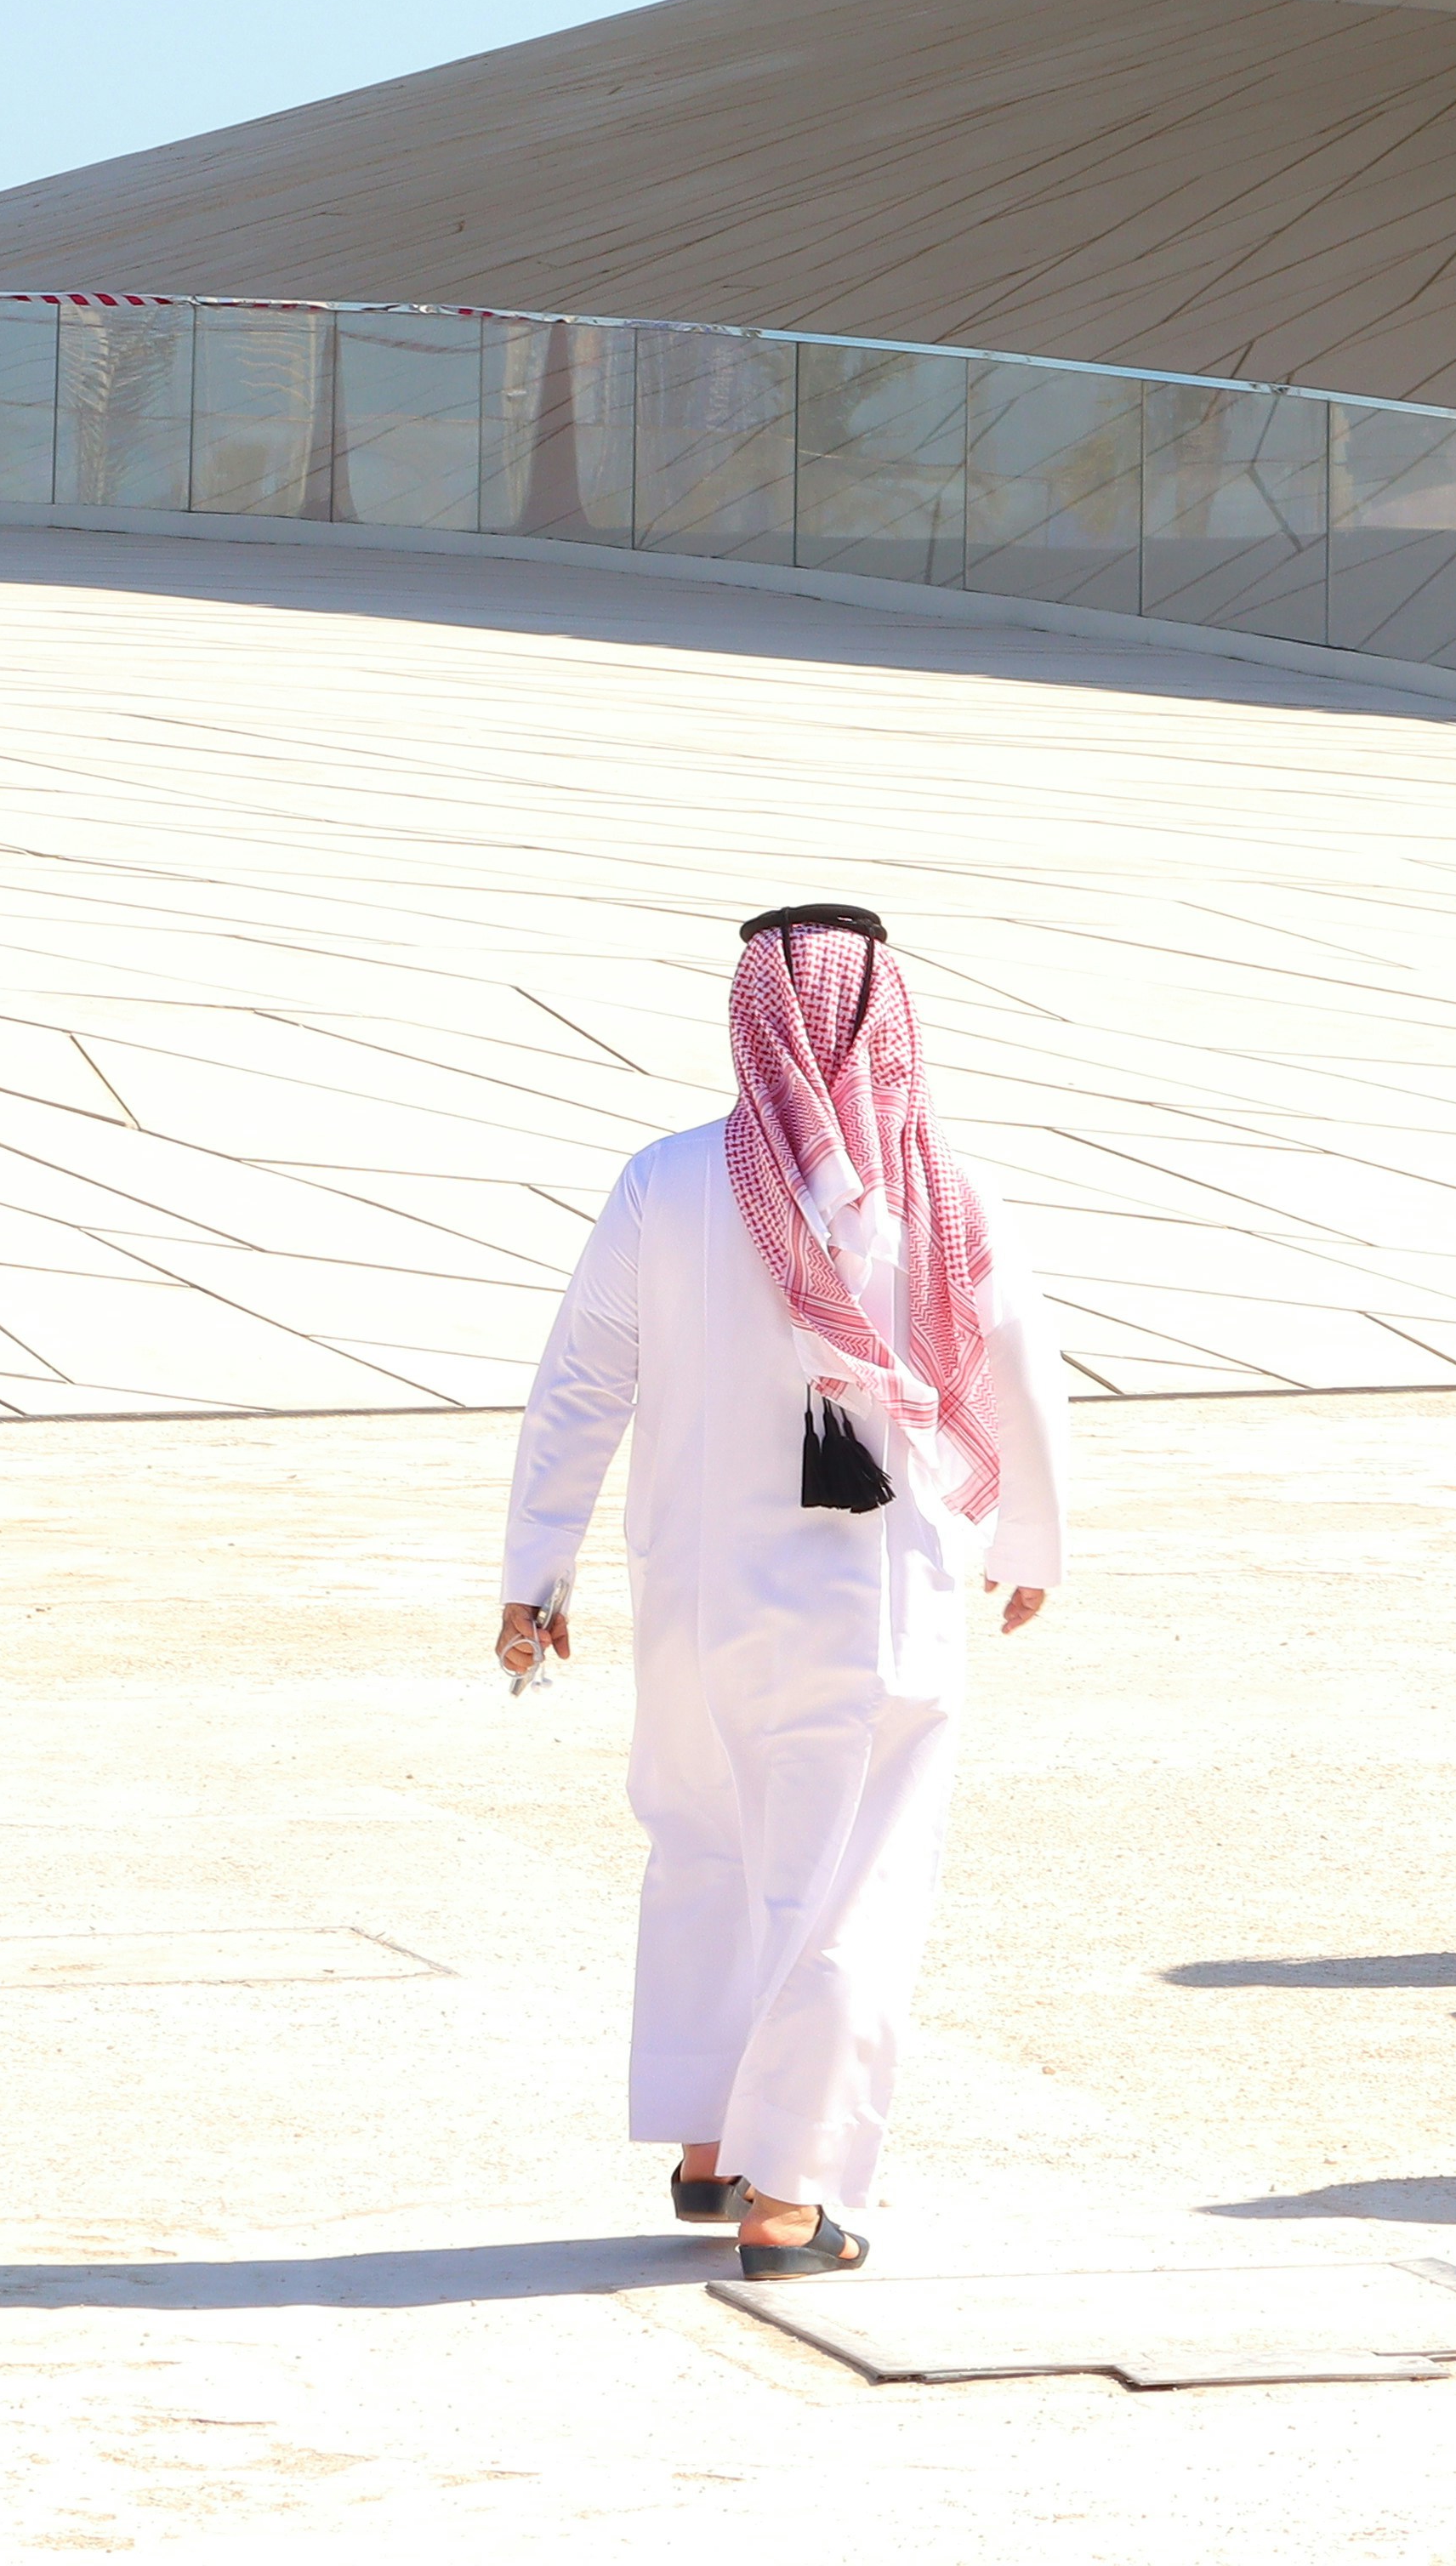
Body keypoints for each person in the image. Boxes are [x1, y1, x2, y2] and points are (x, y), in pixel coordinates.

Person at [495, 905, 1070, 2282]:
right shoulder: (936, 1196)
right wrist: (1031, 1542)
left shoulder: (669, 1181)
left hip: (693, 1605)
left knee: (705, 1849)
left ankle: (707, 2140)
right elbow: (1015, 1386)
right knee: (845, 1887)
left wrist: (536, 1569)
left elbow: (584, 1378)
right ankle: (788, 2198)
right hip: (864, 1613)